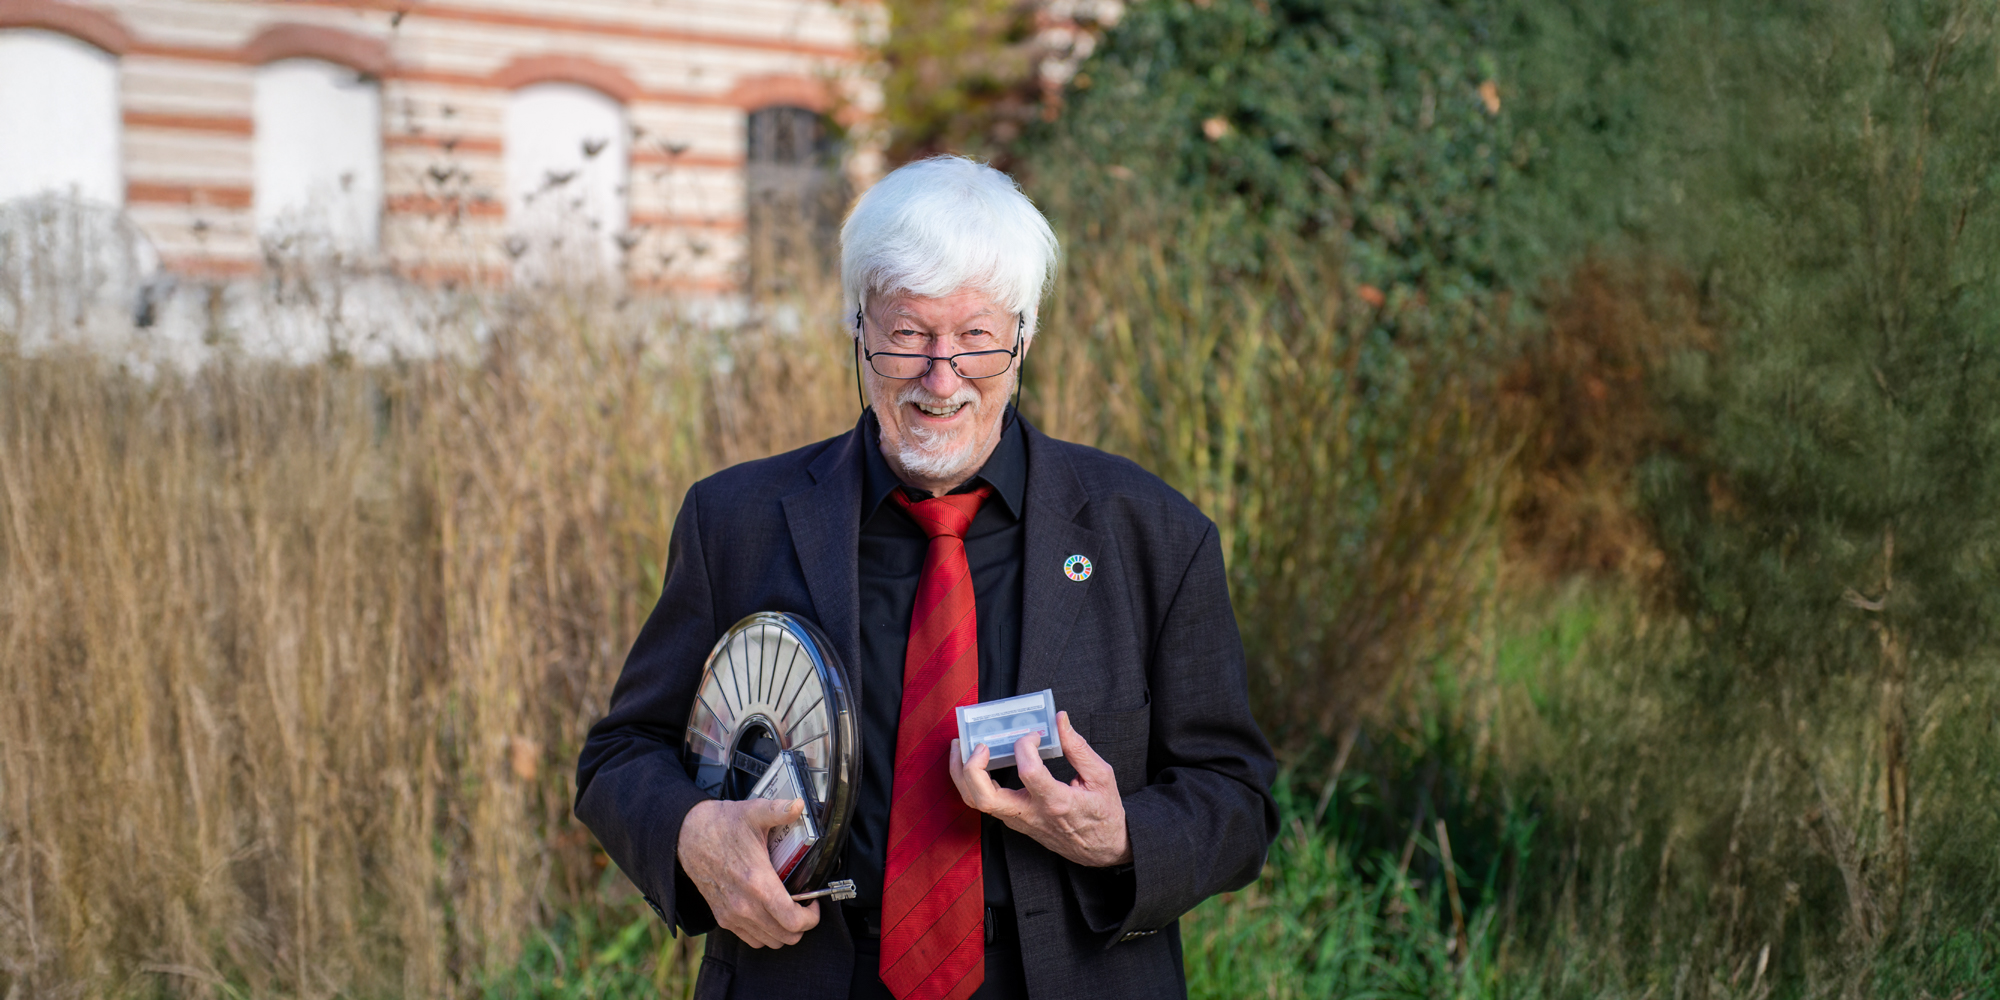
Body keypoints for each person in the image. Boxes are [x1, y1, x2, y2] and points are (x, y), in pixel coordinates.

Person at [575, 155, 1277, 1000]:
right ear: (856, 327)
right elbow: (620, 757)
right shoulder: (736, 520)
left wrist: (1124, 834)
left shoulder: (1152, 533)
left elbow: (1236, 798)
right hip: (806, 976)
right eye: (907, 334)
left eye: (977, 337)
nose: (941, 378)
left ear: (1025, 336)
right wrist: (694, 832)